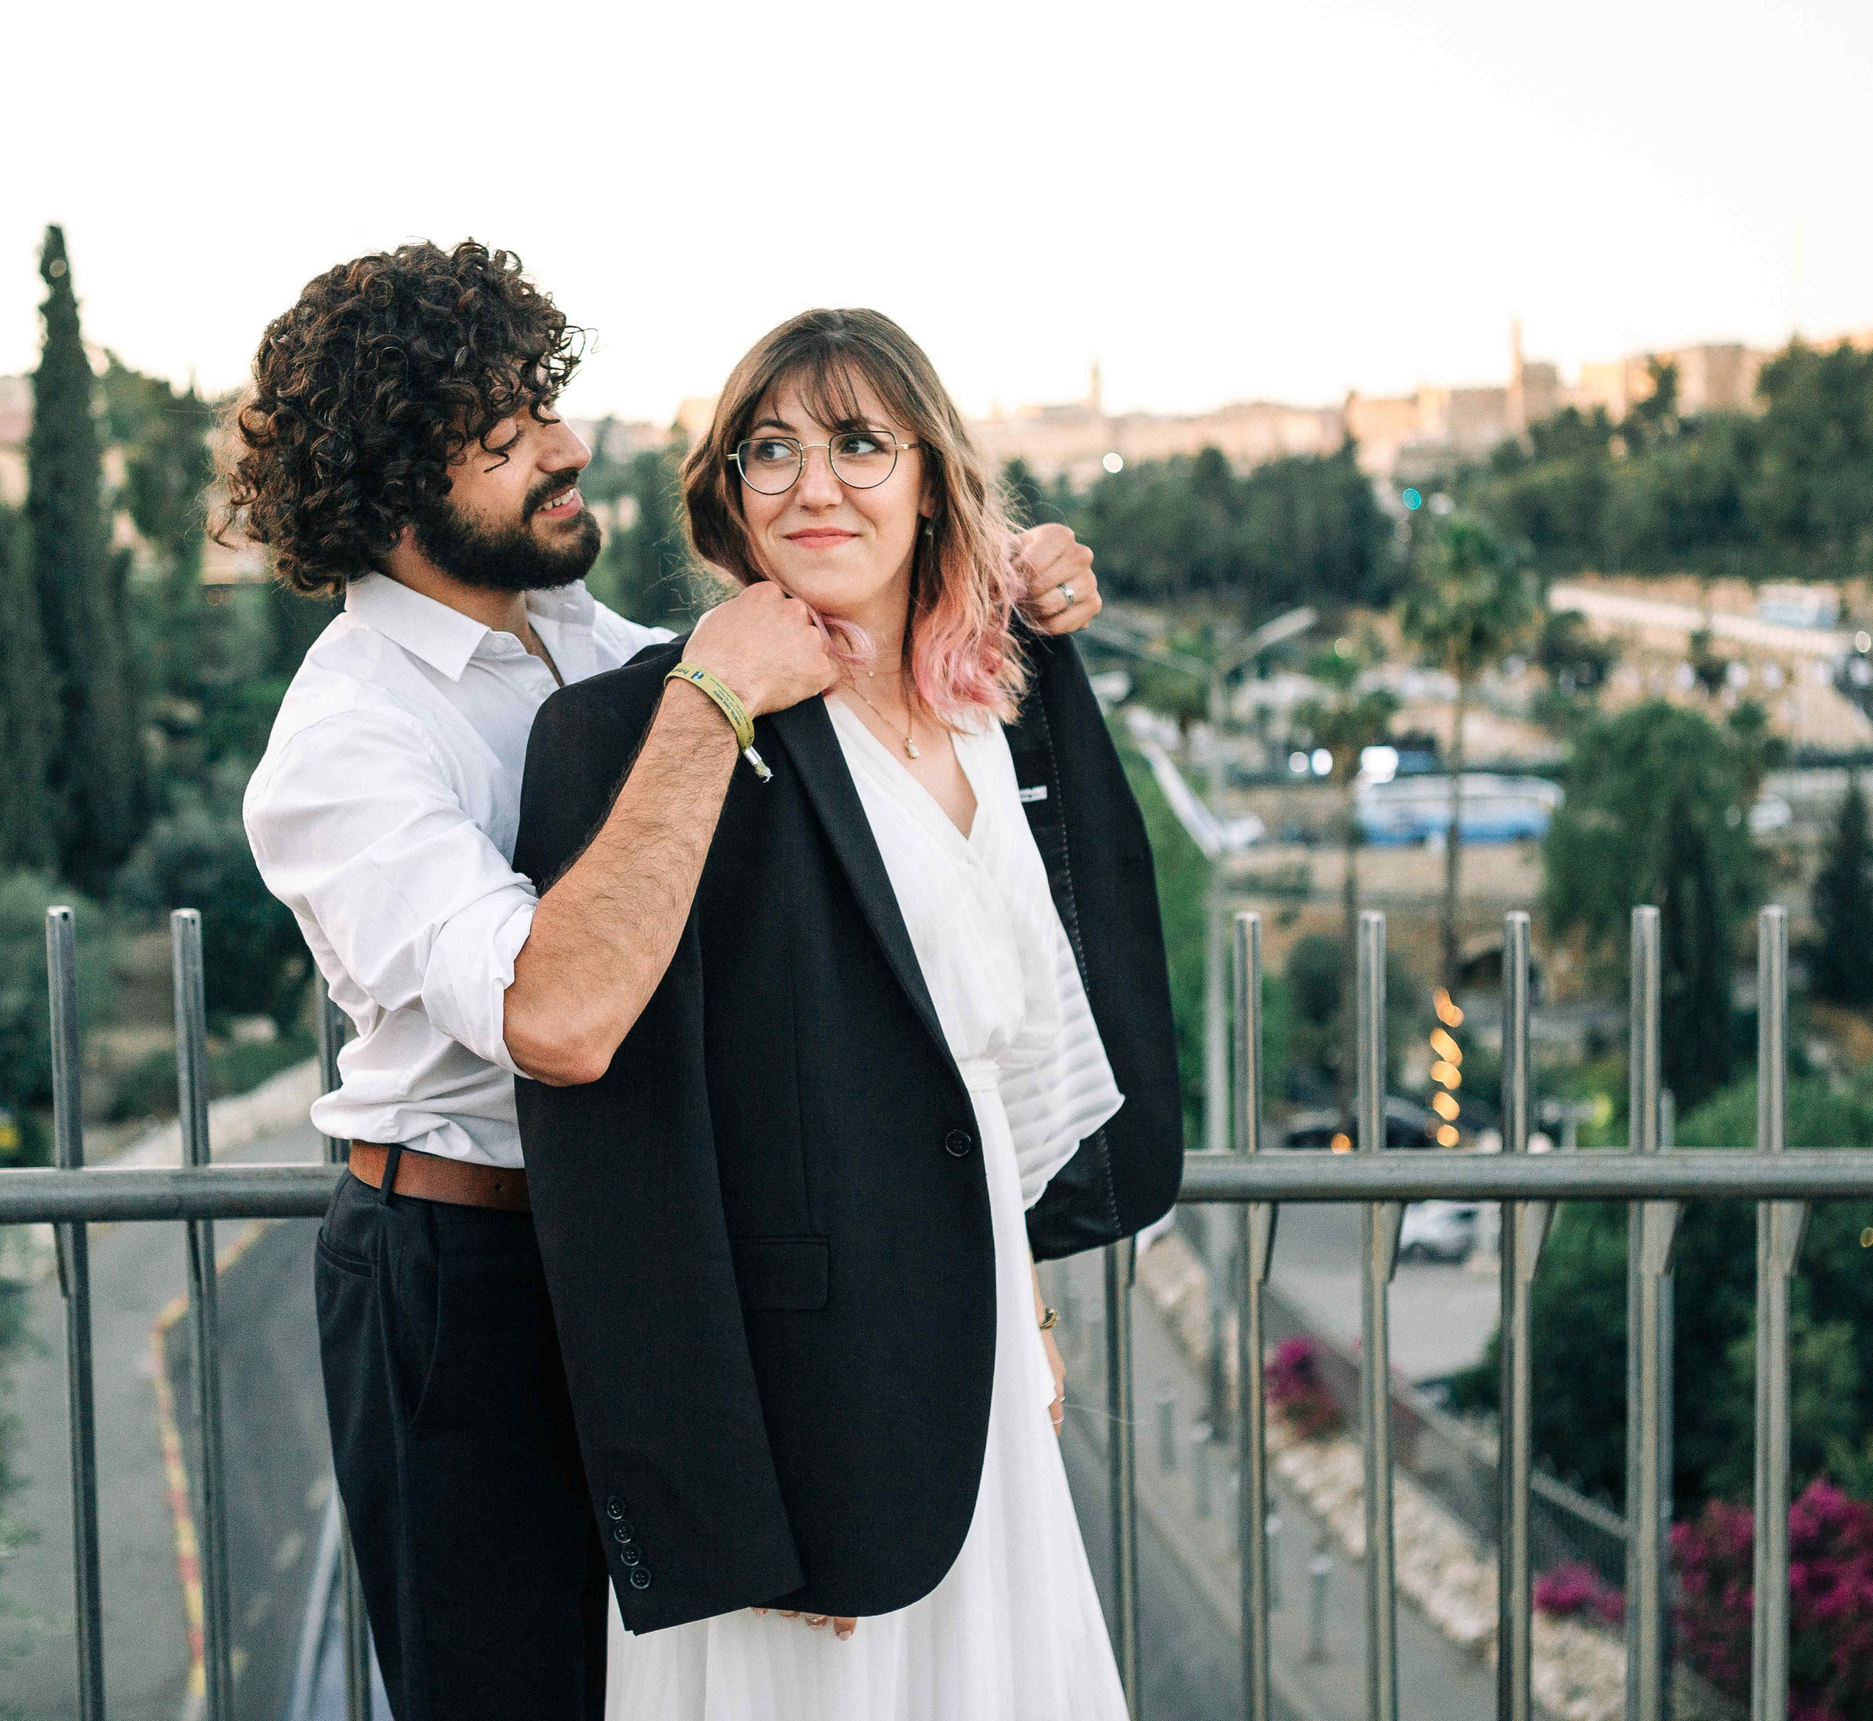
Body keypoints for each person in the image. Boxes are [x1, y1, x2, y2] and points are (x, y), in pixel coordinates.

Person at [228, 243, 1100, 1721]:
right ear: (389, 503)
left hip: (658, 1252)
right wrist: (709, 695)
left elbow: (848, 676)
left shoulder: (579, 640)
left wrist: (997, 579)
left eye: (545, 408)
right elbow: (558, 1019)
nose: (568, 450)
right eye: (507, 443)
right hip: (471, 1281)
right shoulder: (344, 744)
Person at [512, 307, 1185, 1720]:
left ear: (934, 477)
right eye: (773, 449)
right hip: (797, 1452)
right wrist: (736, 1510)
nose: (815, 484)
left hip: (973, 1365)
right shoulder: (643, 736)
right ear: (727, 493)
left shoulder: (993, 704)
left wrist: (1026, 1293)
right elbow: (635, 1174)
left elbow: (975, 1080)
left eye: (861, 444)